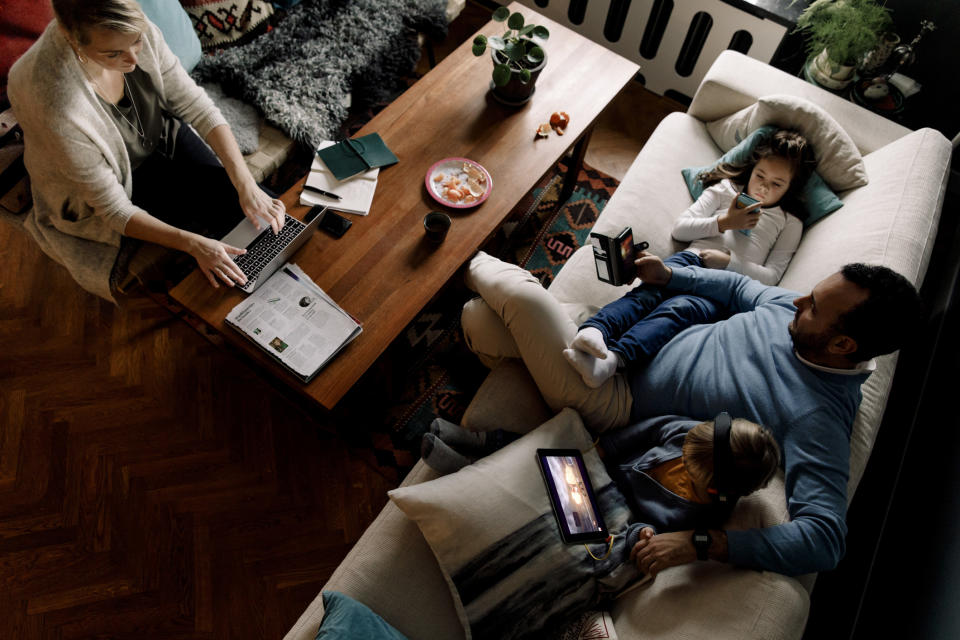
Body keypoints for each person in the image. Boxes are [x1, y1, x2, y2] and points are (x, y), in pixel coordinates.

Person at [459, 251, 923, 576]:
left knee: (522, 300)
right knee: (478, 318)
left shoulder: (817, 418)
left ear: (844, 345)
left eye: (814, 307)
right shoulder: (796, 314)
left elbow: (824, 540)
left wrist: (702, 543)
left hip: (614, 400)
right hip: (632, 340)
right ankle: (491, 329)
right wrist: (670, 277)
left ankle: (463, 255)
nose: (798, 300)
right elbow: (742, 287)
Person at [8, 0, 286, 301]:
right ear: (70, 36)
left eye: (137, 41)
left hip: (161, 134)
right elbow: (114, 209)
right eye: (113, 53)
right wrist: (194, 245)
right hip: (123, 176)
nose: (132, 58)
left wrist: (245, 184)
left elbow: (196, 105)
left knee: (265, 220)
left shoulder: (131, 28)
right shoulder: (54, 102)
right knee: (221, 261)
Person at [564, 129, 815, 388]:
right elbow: (680, 228)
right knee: (649, 293)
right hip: (690, 261)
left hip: (725, 289)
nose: (763, 188)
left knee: (680, 310)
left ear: (790, 187)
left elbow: (772, 277)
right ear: (752, 167)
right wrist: (723, 222)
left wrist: (728, 262)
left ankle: (614, 360)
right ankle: (596, 330)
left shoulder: (789, 222)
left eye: (777, 184)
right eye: (760, 175)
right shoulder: (725, 190)